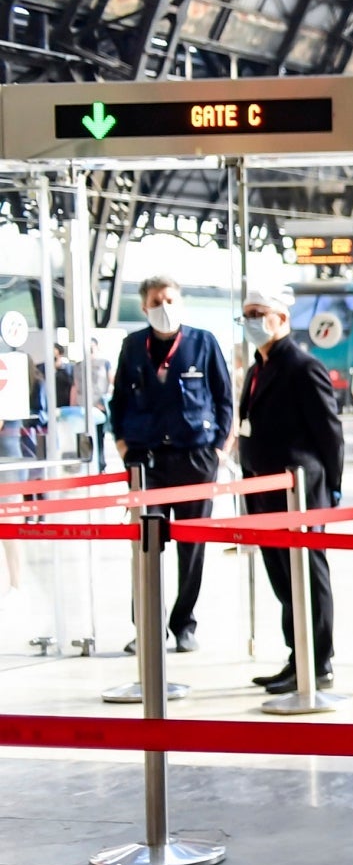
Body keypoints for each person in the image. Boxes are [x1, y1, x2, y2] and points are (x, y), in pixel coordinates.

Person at [108, 277, 233, 653]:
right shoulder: (132, 347)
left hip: (195, 457)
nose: (164, 306)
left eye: (170, 299)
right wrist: (122, 443)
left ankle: (184, 624)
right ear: (144, 308)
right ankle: (147, 626)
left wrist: (219, 448)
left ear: (182, 302)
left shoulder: (203, 342)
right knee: (146, 544)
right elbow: (118, 401)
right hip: (147, 460)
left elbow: (224, 397)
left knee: (192, 545)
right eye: (156, 301)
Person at [236, 285, 343, 693]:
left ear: (281, 318)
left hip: (298, 488)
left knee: (307, 575)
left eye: (259, 313)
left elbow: (329, 432)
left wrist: (332, 485)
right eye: (246, 313)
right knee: (283, 578)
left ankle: (319, 662)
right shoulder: (257, 367)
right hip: (264, 490)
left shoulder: (302, 366)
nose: (251, 321)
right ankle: (297, 656)